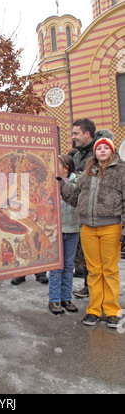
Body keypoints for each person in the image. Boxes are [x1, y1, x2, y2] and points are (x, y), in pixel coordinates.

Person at [58, 137, 125, 328]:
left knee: (110, 270)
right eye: (99, 148)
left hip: (111, 227)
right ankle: (94, 310)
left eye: (106, 148)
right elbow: (75, 198)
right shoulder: (86, 174)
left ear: (112, 152)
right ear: (95, 152)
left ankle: (112, 311)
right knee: (94, 271)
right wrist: (62, 185)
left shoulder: (121, 172)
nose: (102, 150)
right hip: (87, 229)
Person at [71, 122, 114, 298]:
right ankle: (90, 287)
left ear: (87, 134)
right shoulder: (77, 156)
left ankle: (107, 298)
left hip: (104, 216)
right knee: (89, 257)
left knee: (105, 262)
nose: (73, 137)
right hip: (83, 212)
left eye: (76, 133)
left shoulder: (101, 153)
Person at [48, 155, 80, 315]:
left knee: (68, 266)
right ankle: (54, 300)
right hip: (56, 231)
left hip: (73, 230)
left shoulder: (77, 182)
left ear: (66, 167)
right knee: (56, 267)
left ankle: (66, 298)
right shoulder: (52, 182)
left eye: (57, 164)